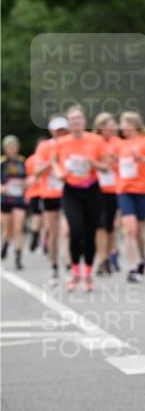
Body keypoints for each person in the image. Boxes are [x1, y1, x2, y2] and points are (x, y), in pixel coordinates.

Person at [52, 107, 110, 292]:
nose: (76, 123)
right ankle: (75, 269)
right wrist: (59, 172)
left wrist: (94, 163)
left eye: (79, 119)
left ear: (84, 122)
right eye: (72, 120)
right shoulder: (62, 142)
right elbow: (53, 161)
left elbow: (107, 166)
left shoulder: (96, 140)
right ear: (69, 124)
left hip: (91, 189)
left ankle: (88, 273)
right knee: (75, 230)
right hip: (71, 191)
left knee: (90, 233)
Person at [116, 111, 145, 282]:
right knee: (130, 229)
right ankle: (132, 267)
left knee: (139, 231)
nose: (120, 126)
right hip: (124, 190)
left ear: (132, 125)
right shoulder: (120, 145)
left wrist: (142, 158)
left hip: (143, 190)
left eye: (123, 122)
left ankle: (142, 259)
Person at [34, 116, 69, 282]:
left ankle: (69, 264)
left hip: (68, 193)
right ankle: (54, 266)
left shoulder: (71, 144)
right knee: (54, 233)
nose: (61, 133)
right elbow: (37, 172)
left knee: (67, 231)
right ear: (51, 131)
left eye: (63, 129)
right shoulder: (44, 147)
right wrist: (51, 163)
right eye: (58, 130)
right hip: (49, 193)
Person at [93, 112, 121, 275]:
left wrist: (114, 161)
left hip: (115, 188)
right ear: (100, 127)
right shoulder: (93, 142)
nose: (112, 128)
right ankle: (102, 259)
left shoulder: (119, 143)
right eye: (109, 125)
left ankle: (111, 254)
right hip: (97, 189)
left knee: (111, 226)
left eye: (113, 125)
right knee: (101, 225)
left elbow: (124, 163)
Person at [1, 135, 27, 270]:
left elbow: (29, 179)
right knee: (7, 229)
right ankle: (5, 243)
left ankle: (18, 257)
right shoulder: (1, 162)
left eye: (14, 146)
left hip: (19, 199)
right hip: (5, 199)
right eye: (9, 146)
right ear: (5, 148)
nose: (11, 148)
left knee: (18, 228)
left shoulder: (23, 162)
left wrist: (25, 184)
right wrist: (2, 188)